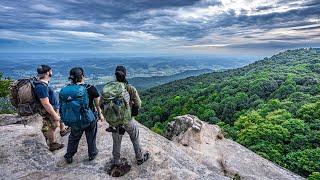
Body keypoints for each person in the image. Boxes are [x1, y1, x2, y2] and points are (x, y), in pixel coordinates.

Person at [107, 65, 149, 166]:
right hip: (127, 119)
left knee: (116, 141)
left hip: (115, 121)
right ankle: (139, 158)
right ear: (125, 75)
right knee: (135, 137)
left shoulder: (109, 89)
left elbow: (100, 104)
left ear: (115, 75)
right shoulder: (130, 88)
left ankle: (116, 161)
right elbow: (138, 104)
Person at [63, 67, 105, 164]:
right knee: (91, 136)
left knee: (74, 136)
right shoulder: (90, 88)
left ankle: (69, 155)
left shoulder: (68, 89)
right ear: (82, 76)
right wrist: (100, 114)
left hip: (75, 118)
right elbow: (97, 104)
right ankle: (92, 153)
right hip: (89, 118)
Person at [34, 65, 69, 151]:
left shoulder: (42, 83)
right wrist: (54, 114)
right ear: (47, 73)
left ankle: (63, 130)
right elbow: (45, 103)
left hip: (54, 107)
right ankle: (53, 144)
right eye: (51, 71)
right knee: (53, 125)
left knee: (58, 119)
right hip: (49, 109)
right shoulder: (41, 86)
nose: (52, 72)